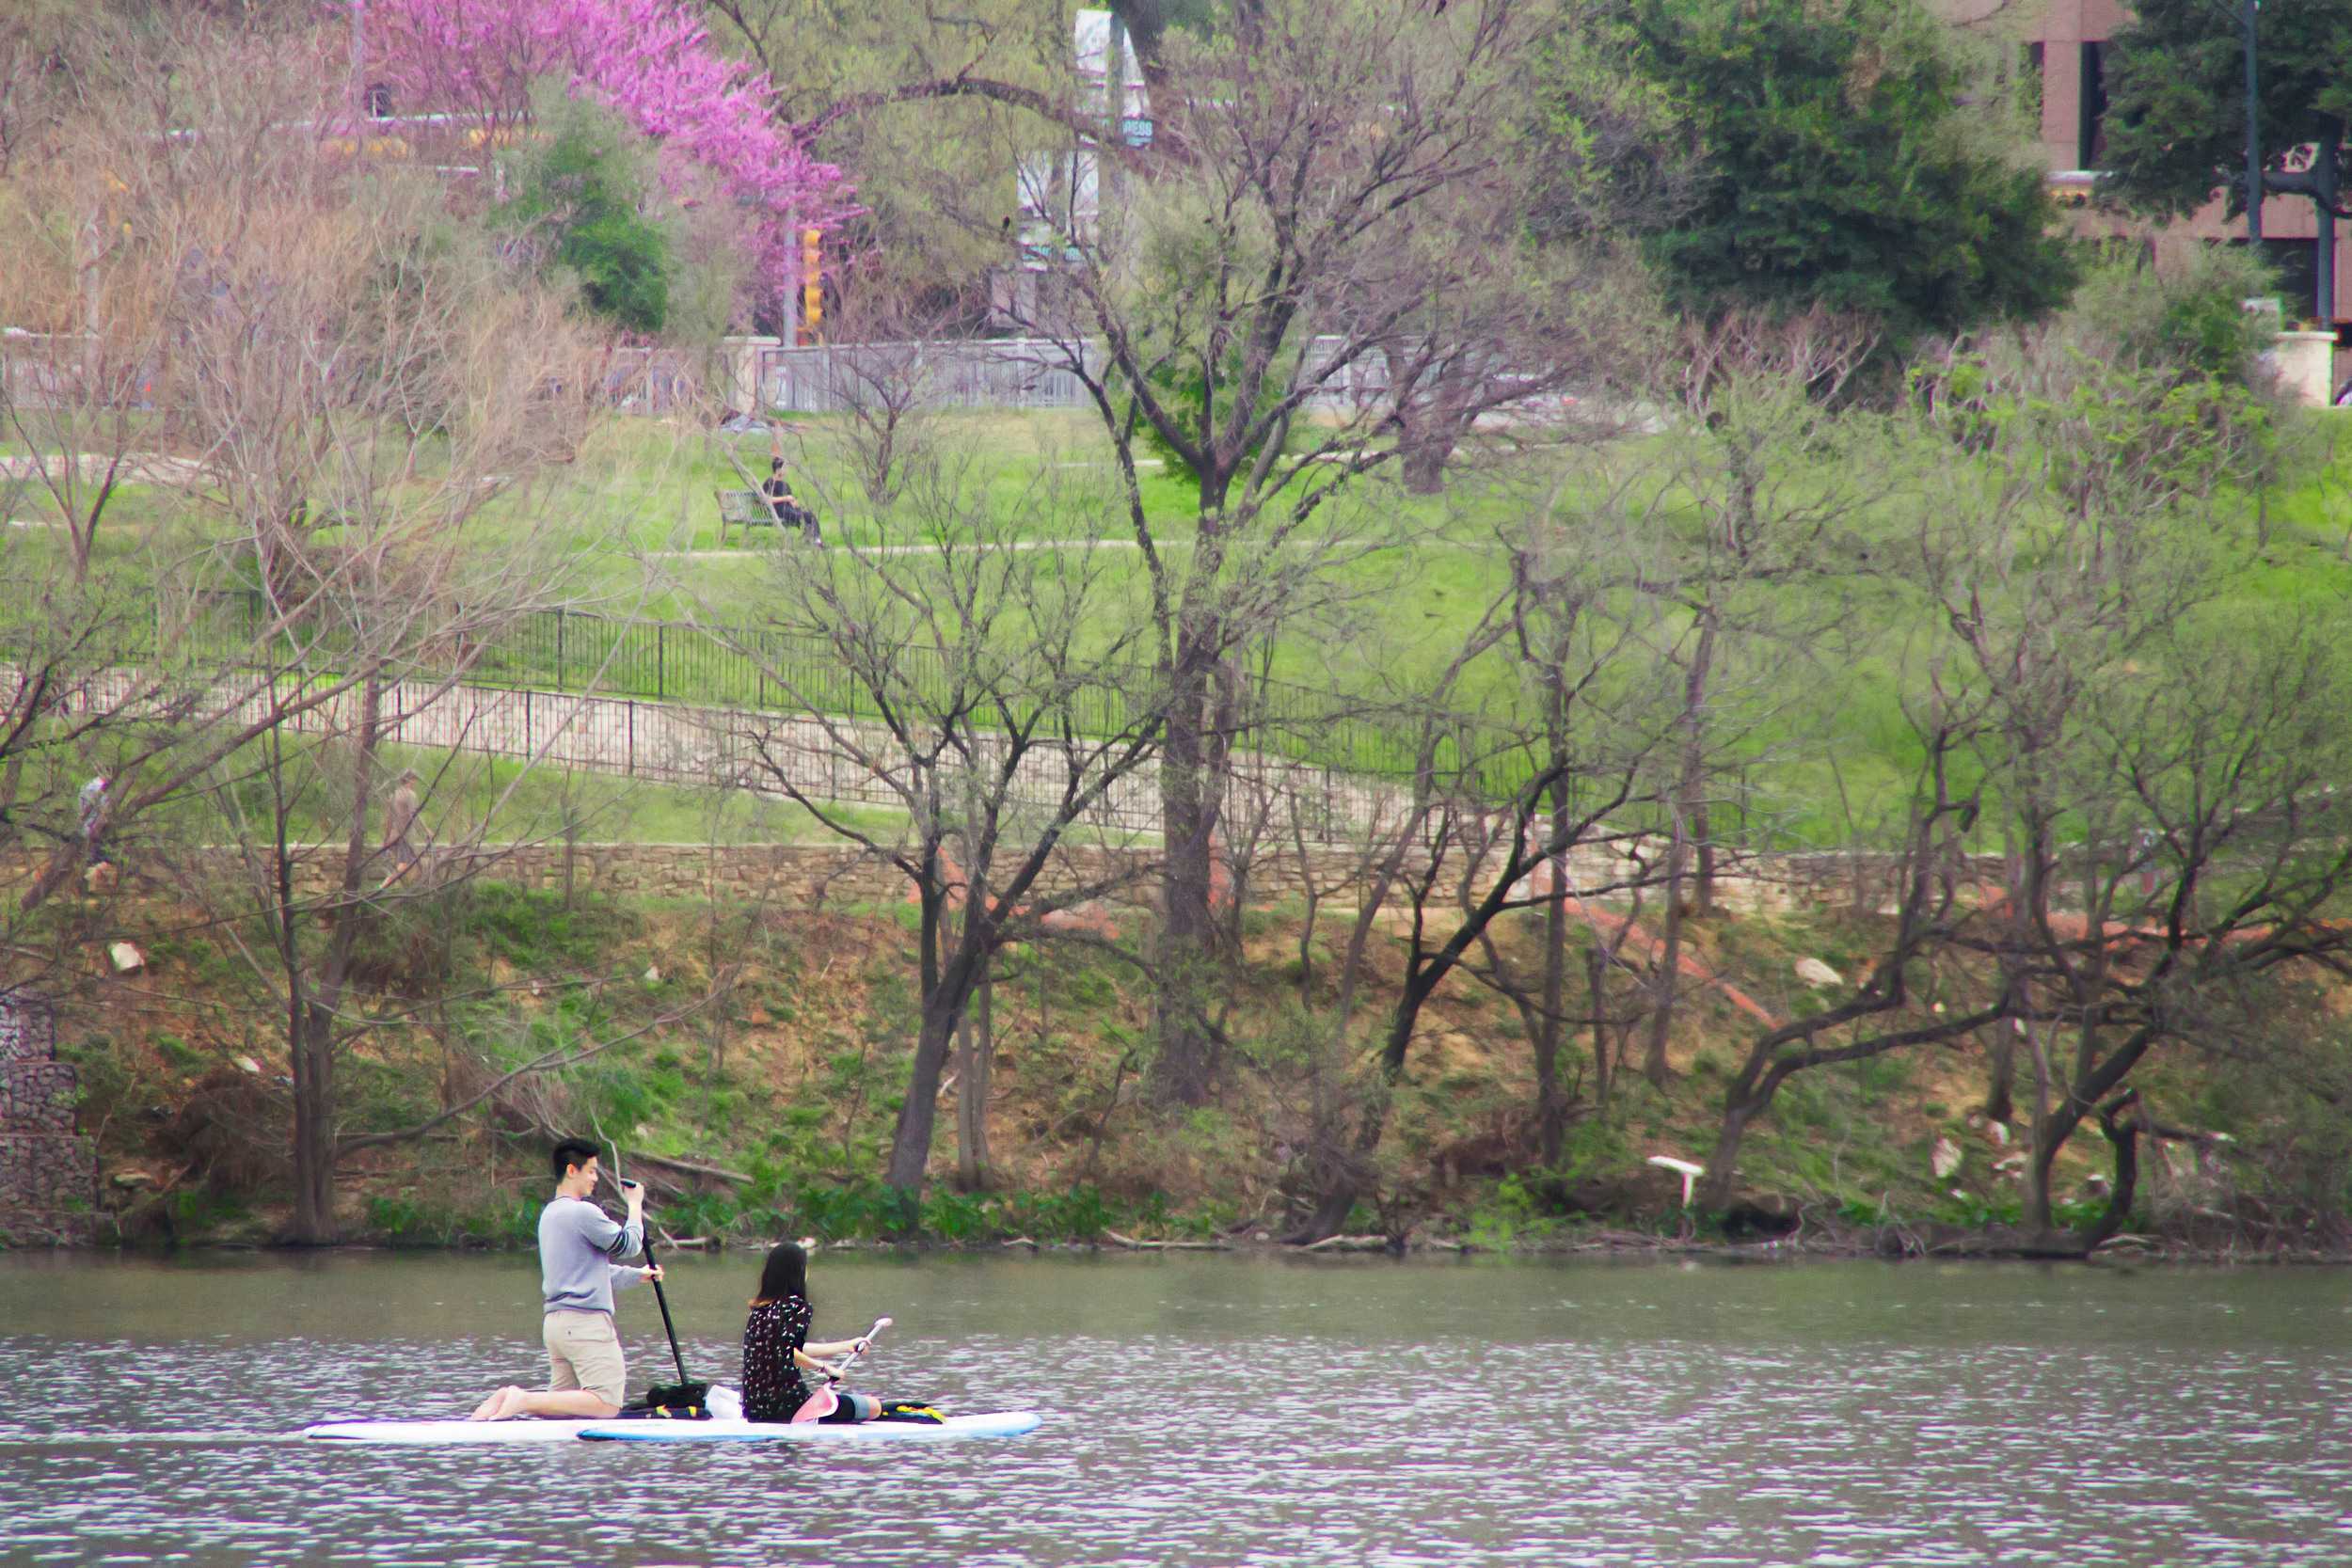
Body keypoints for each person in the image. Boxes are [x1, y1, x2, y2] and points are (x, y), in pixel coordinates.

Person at [469, 1140, 662, 1420]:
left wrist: (637, 1275)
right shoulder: (582, 1212)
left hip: (557, 1327)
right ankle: (522, 1398)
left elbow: (590, 1272)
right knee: (606, 1404)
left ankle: (504, 1400)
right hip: (586, 1325)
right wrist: (635, 1206)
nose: (596, 1178)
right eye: (592, 1171)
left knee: (561, 1413)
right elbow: (630, 1244)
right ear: (572, 1170)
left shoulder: (549, 1215)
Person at [740, 1241, 884, 1424]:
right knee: (874, 1406)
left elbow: (788, 1347)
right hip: (792, 1408)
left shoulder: (759, 1310)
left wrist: (845, 1347)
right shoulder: (798, 1307)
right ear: (799, 1271)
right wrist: (824, 1368)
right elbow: (787, 1352)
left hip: (755, 1409)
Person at [759, 458, 823, 546]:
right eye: (784, 468)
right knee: (801, 517)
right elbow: (766, 499)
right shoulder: (769, 482)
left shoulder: (785, 484)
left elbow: (791, 500)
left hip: (789, 509)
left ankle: (817, 540)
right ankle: (808, 538)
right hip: (778, 511)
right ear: (778, 470)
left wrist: (795, 503)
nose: (786, 470)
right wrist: (785, 498)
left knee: (810, 515)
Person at [381, 770, 421, 882]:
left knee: (402, 865)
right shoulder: (410, 795)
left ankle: (397, 887)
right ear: (410, 780)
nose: (415, 783)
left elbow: (388, 819)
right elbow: (415, 816)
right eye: (414, 780)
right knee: (404, 865)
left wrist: (387, 838)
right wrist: (427, 831)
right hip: (405, 836)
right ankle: (383, 886)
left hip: (394, 835)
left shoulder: (394, 795)